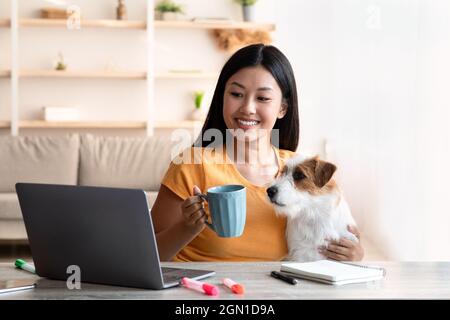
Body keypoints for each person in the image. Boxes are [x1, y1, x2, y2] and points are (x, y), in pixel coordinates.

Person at [151, 43, 364, 262]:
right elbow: (146, 255)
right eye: (236, 93)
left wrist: (354, 254)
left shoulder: (297, 171)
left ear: (283, 108)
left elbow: (336, 232)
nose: (248, 108)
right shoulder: (191, 165)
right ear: (221, 98)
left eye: (262, 98)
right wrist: (186, 228)